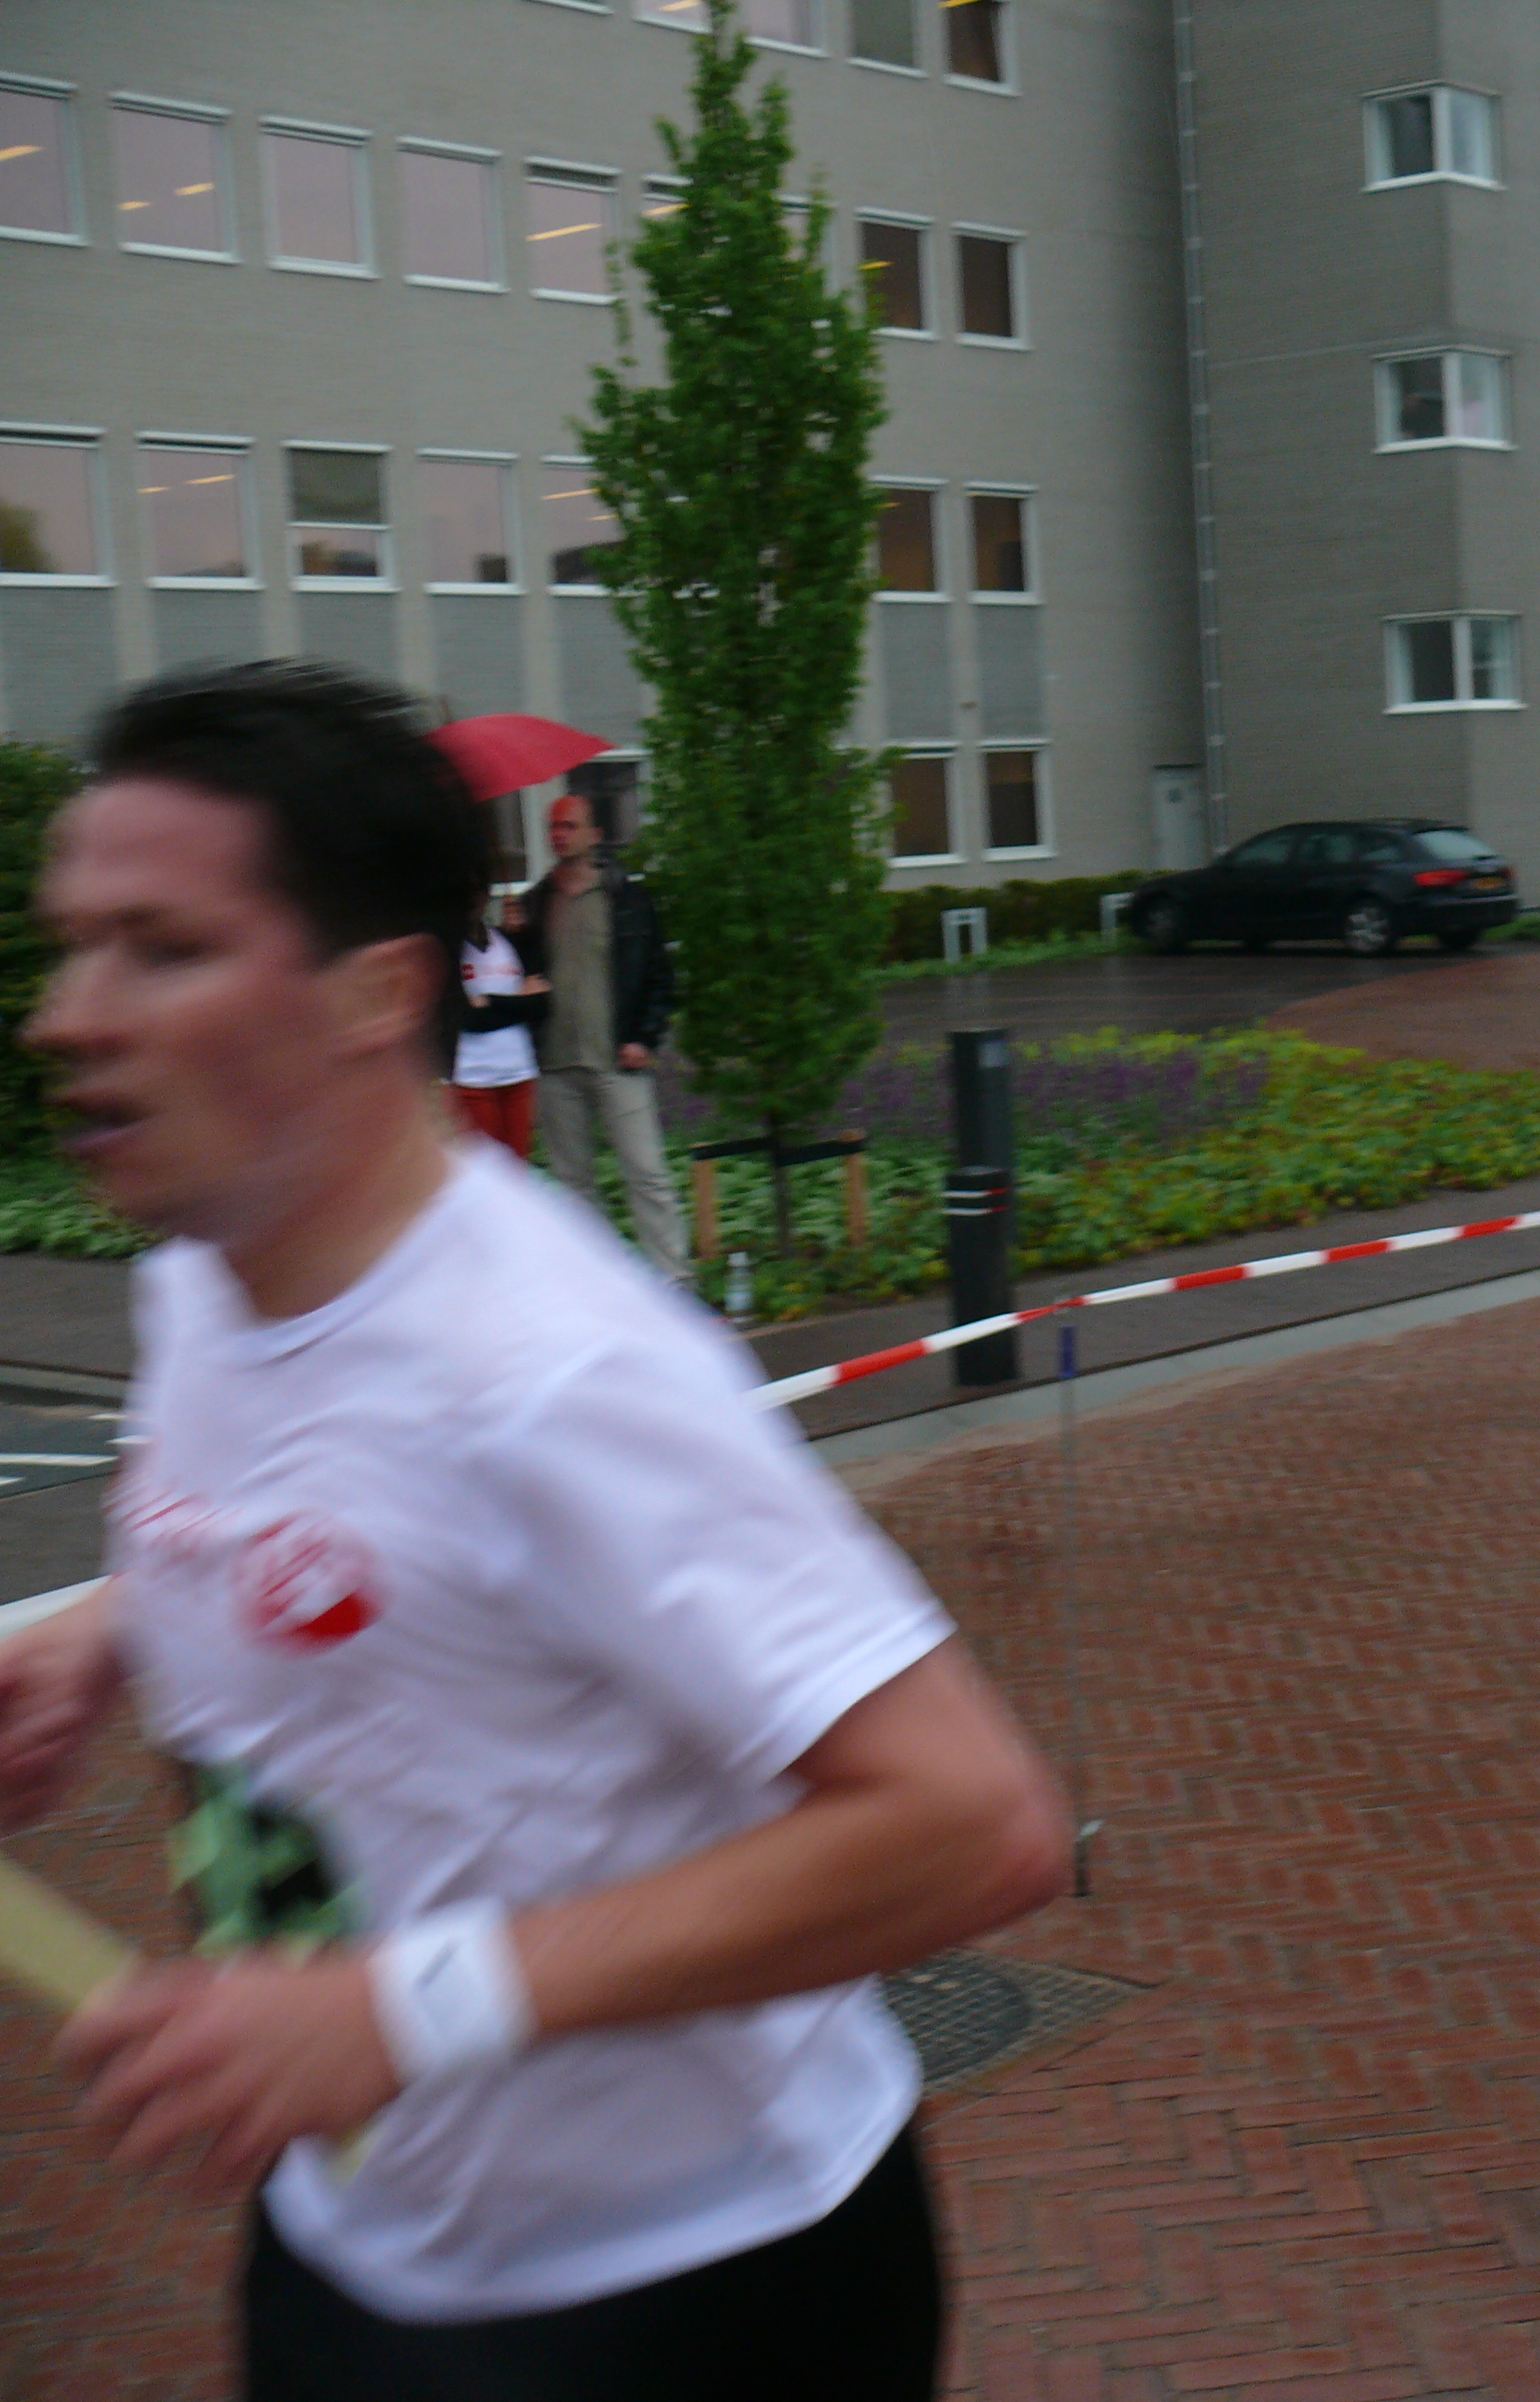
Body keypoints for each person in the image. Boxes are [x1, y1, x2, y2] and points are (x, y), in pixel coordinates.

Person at [5, 660, 1069, 2399]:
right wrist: (118, 1620)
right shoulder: (207, 1274)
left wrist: (394, 2013)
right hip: (356, 2232)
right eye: (72, 947)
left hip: (683, 2289)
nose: (69, 1013)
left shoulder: (558, 1374)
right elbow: (348, 1503)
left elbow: (976, 1826)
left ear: (375, 992)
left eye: (163, 948)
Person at [518, 782, 684, 1277]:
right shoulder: (534, 904)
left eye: (570, 826)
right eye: (553, 827)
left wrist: (645, 1038)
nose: (559, 835)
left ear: (595, 834)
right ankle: (598, 1286)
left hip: (617, 1060)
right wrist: (514, 941)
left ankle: (673, 1280)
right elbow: (519, 978)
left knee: (646, 1173)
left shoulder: (627, 900)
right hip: (556, 1064)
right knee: (573, 1185)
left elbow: (659, 977)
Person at [448, 904, 547, 1160]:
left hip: (519, 1071)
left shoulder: (508, 939)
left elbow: (540, 1006)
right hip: (471, 1075)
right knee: (487, 1168)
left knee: (518, 1167)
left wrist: (489, 1001)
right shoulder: (448, 947)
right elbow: (466, 1018)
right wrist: (515, 1005)